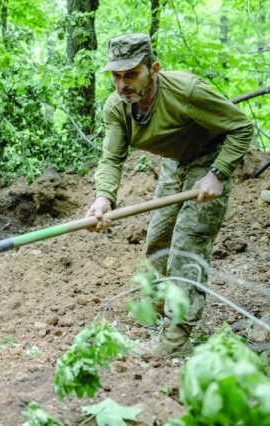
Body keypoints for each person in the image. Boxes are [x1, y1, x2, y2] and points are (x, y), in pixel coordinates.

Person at [86, 33, 253, 355]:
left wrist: (217, 174)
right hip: (175, 163)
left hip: (210, 159)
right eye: (116, 76)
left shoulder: (186, 91)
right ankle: (160, 313)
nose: (123, 84)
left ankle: (176, 339)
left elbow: (242, 127)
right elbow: (111, 158)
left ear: (154, 69)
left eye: (132, 74)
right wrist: (103, 197)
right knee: (158, 240)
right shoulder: (117, 107)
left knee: (187, 246)